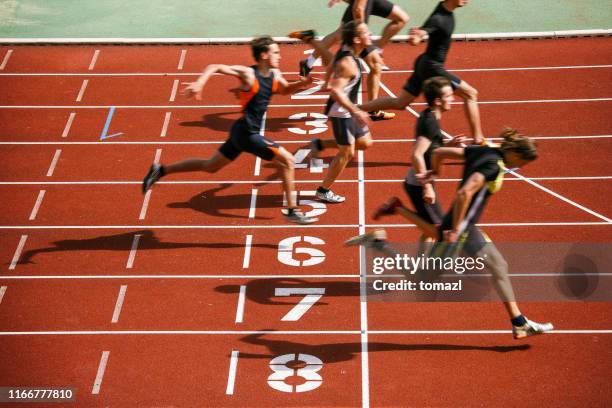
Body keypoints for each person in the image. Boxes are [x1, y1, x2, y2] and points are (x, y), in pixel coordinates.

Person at [348, 129, 554, 339]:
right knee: (422, 282)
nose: (519, 167)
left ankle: (519, 323)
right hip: (458, 229)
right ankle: (379, 243)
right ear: (517, 155)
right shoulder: (493, 166)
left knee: (499, 266)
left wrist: (433, 174)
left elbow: (439, 152)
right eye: (523, 163)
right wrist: (455, 229)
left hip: (466, 227)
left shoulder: (483, 150)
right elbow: (465, 192)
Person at [142, 36, 317, 224]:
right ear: (264, 55)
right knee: (288, 161)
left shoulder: (275, 74)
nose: (280, 56)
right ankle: (292, 210)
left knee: (210, 166)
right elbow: (215, 66)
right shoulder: (248, 74)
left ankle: (160, 170)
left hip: (240, 131)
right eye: (276, 52)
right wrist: (200, 83)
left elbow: (283, 90)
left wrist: (302, 84)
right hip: (248, 134)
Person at [359, 0, 485, 145]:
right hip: (432, 67)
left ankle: (356, 108)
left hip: (423, 63)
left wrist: (419, 33)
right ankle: (478, 140)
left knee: (400, 103)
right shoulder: (439, 18)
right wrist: (416, 36)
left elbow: (426, 28)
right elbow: (421, 34)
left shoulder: (443, 8)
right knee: (470, 93)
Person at [292, 21, 375, 203]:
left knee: (365, 143)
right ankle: (323, 190)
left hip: (348, 109)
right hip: (341, 112)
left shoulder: (349, 53)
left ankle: (319, 144)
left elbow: (331, 61)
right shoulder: (348, 63)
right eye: (366, 33)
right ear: (356, 39)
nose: (370, 34)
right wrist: (356, 111)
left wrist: (327, 78)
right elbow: (336, 92)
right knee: (347, 152)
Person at [295, 0, 410, 121]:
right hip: (358, 19)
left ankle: (309, 56)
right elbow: (358, 9)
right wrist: (362, 33)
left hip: (368, 6)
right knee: (352, 60)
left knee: (341, 39)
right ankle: (310, 43)